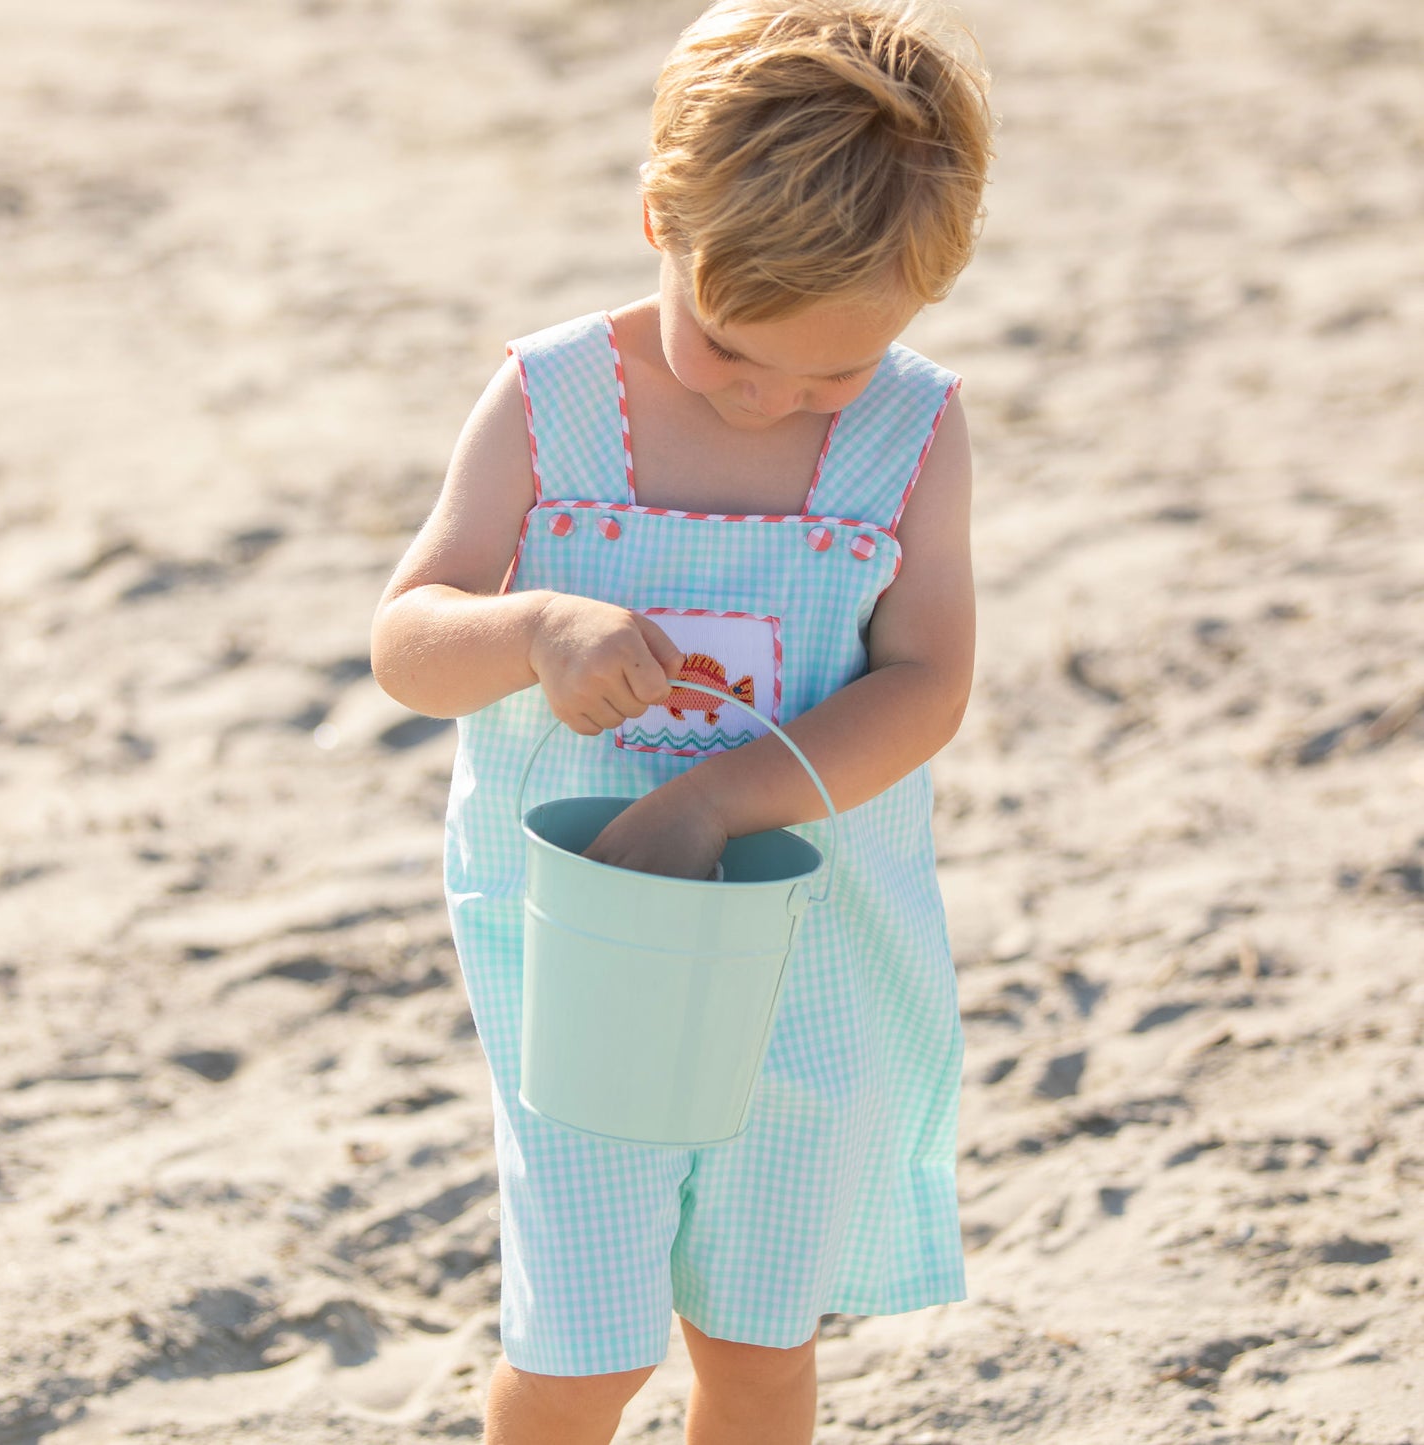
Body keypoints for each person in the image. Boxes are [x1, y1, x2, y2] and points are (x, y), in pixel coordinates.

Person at [371, 1, 992, 1439]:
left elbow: (925, 684)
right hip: (586, 953)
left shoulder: (911, 429)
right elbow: (408, 643)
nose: (778, 397)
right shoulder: (552, 401)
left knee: (760, 1342)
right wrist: (531, 627)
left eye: (829, 371)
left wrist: (717, 796)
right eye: (728, 346)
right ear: (658, 216)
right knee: (584, 1343)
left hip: (808, 940)